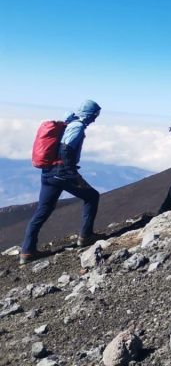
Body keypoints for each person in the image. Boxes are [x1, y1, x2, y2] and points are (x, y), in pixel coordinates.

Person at [20, 100, 102, 264]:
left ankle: (27, 252)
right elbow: (66, 148)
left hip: (48, 173)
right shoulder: (77, 126)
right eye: (94, 115)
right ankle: (86, 236)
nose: (94, 119)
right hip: (62, 173)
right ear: (88, 114)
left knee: (42, 211)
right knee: (92, 196)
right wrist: (70, 170)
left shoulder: (68, 123)